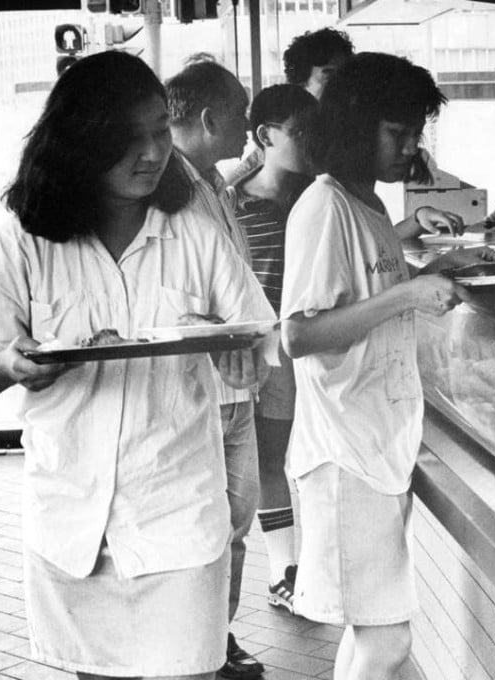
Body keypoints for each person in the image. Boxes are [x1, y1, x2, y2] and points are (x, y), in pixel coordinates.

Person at [0, 52, 274, 680]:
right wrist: (10, 363)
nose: (152, 152)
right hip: (73, 520)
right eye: (128, 137)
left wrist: (234, 355)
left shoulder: (195, 231)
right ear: (80, 140)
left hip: (177, 511)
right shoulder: (26, 238)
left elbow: (254, 341)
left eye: (159, 131)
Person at [280, 53, 479, 680]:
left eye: (417, 132)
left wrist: (429, 275)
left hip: (376, 445)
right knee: (386, 643)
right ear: (356, 124)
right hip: (345, 453)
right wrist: (408, 295)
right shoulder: (324, 206)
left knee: (373, 635)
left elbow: (371, 291)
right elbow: (298, 333)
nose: (410, 147)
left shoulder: (365, 205)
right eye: (398, 132)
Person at [166, 57, 265, 680]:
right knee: (206, 530)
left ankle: (215, 638)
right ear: (208, 118)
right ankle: (198, 645)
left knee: (234, 521)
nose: (249, 131)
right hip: (197, 388)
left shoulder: (210, 181)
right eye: (241, 119)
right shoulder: (163, 187)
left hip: (235, 385)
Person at [227, 83, 317, 615]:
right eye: (301, 131)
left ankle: (314, 563)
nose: (313, 141)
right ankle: (284, 569)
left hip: (321, 345)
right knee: (270, 456)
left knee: (308, 457)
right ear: (266, 135)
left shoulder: (322, 195)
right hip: (267, 351)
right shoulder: (232, 203)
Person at [224, 28, 352, 187]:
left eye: (346, 76)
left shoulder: (347, 141)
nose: (341, 86)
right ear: (302, 81)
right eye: (329, 76)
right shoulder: (275, 147)